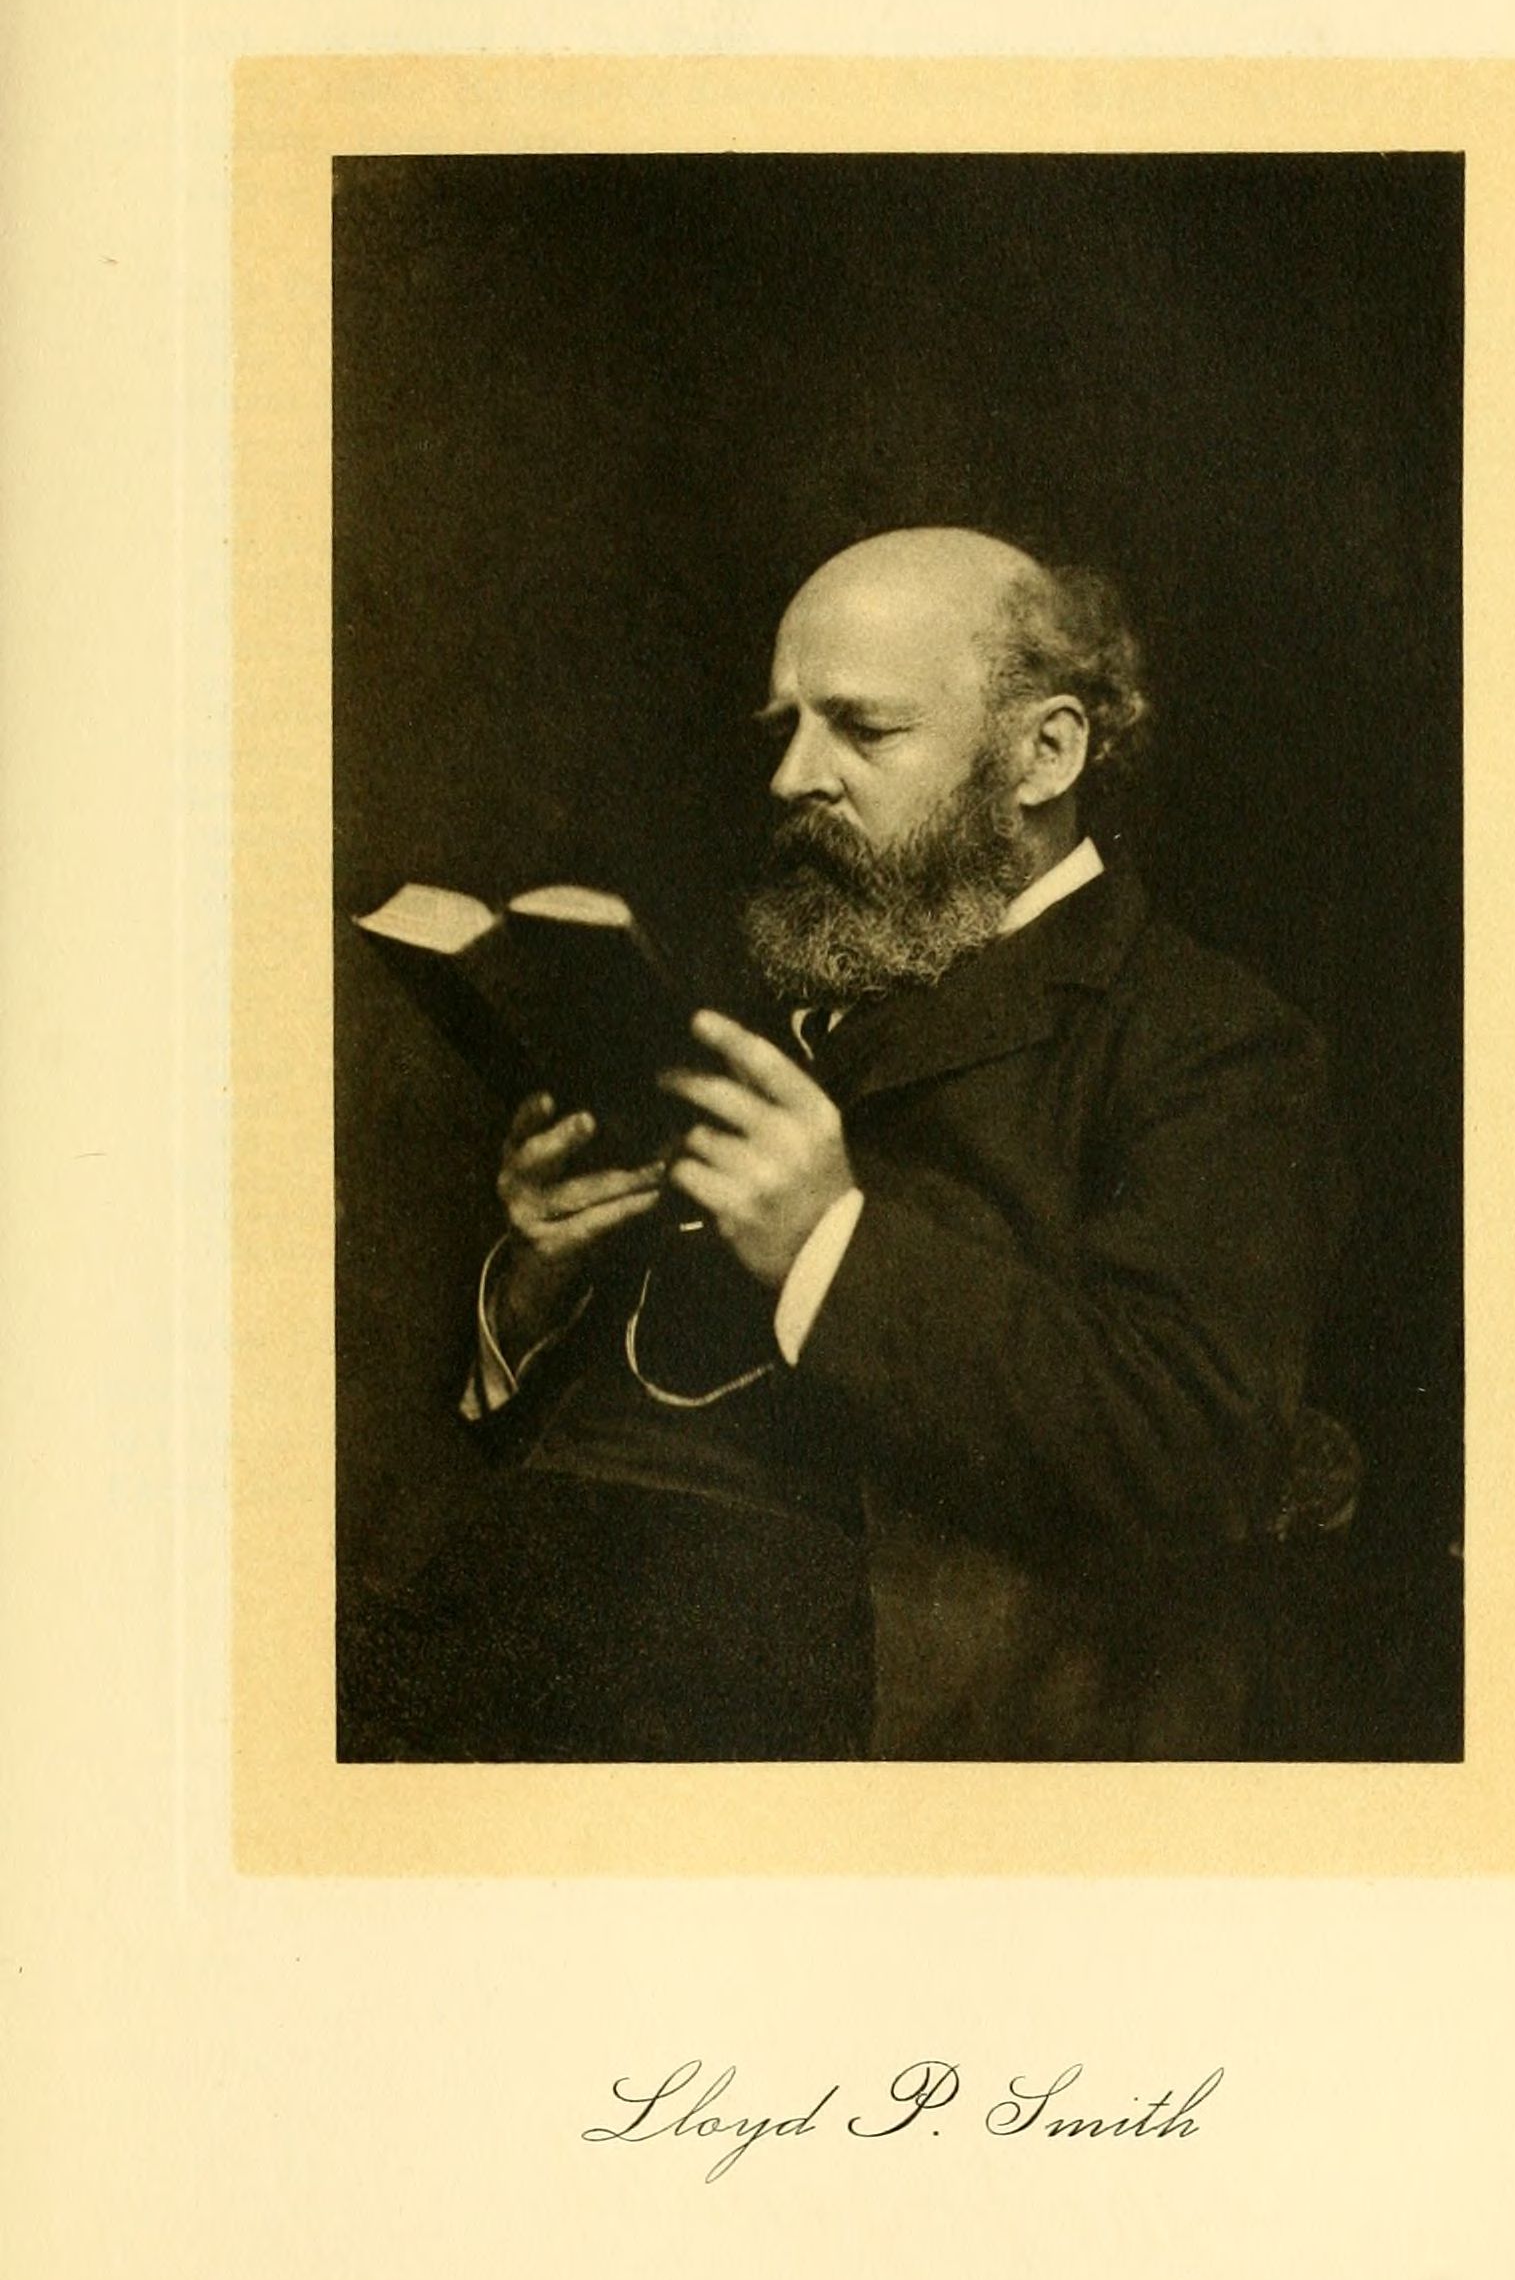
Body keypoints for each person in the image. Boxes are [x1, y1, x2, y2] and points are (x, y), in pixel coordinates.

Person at [414, 525, 1346, 1762]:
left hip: (852, 1694)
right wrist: (535, 1287)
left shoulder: (1209, 1040)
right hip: (564, 1600)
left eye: (862, 729)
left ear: (1045, 751)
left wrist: (830, 1246)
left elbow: (1194, 1454)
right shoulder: (762, 981)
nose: (792, 776)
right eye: (786, 728)